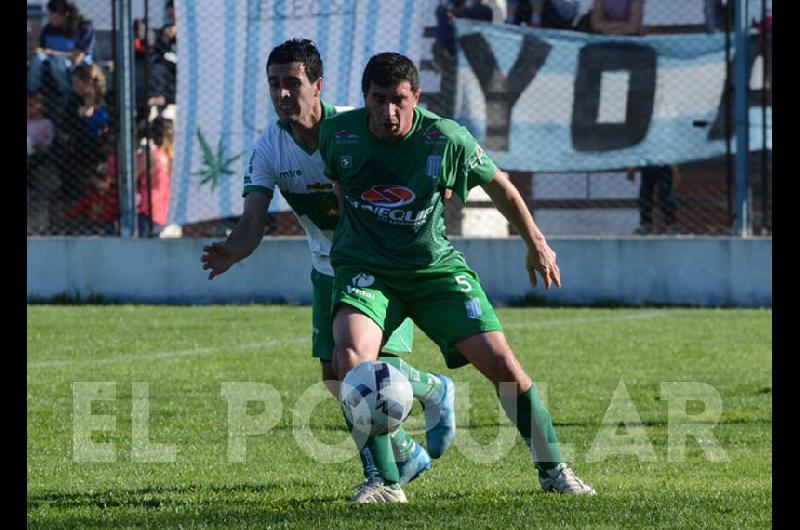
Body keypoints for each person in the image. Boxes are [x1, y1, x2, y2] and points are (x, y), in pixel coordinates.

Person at [318, 52, 596, 502]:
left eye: (399, 100)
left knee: (503, 366)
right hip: (367, 270)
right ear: (364, 98)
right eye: (379, 99)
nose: (389, 112)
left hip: (434, 271)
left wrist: (536, 242)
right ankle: (386, 483)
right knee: (349, 360)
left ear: (417, 97)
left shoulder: (445, 138)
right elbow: (338, 184)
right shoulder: (338, 134)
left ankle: (554, 469)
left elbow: (501, 186)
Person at [200, 39, 456, 503]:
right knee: (337, 380)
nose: (282, 93)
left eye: (292, 83)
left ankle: (388, 470)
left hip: (379, 265)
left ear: (317, 86)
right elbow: (253, 223)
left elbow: (416, 151)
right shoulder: (269, 148)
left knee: (364, 368)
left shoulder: (355, 129)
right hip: (326, 269)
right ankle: (404, 450)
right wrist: (232, 252)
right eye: (274, 84)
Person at [28, 0, 95, 101]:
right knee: (37, 59)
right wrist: (35, 39)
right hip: (51, 62)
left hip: (75, 64)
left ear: (65, 14)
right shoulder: (49, 29)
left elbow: (77, 57)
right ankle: (32, 93)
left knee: (57, 61)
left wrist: (52, 53)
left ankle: (68, 95)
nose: (50, 17)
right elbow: (41, 50)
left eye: (53, 14)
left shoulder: (83, 27)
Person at [136, 118, 174, 235]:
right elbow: (133, 177)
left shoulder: (167, 156)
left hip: (159, 212)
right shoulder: (154, 156)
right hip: (150, 211)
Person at [627, 164, 680, 235]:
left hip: (663, 165)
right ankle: (646, 225)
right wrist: (632, 168)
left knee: (665, 194)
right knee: (645, 195)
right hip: (647, 165)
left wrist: (675, 170)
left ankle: (671, 225)